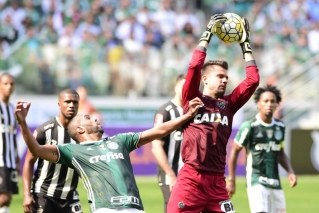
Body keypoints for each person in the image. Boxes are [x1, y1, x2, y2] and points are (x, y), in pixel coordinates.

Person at [15, 97, 203, 213]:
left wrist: (186, 117)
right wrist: (23, 123)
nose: (95, 118)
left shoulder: (120, 141)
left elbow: (159, 130)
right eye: (88, 118)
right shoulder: (73, 151)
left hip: (135, 209)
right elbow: (37, 150)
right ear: (79, 129)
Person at [167, 14, 260, 213]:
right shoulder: (192, 97)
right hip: (192, 180)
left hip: (218, 182)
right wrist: (206, 35)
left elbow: (252, 81)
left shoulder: (229, 103)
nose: (225, 80)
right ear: (205, 79)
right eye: (219, 76)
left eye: (226, 77)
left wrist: (245, 44)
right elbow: (194, 66)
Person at [227, 85, 297, 213]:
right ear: (258, 104)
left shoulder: (280, 126)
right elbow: (234, 151)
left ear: (277, 105)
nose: (269, 104)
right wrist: (232, 180)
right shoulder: (250, 126)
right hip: (256, 181)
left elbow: (280, 152)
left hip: (275, 182)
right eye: (265, 101)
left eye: (272, 101)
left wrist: (290, 171)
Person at [22, 88, 82, 213]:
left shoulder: (82, 133)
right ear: (59, 104)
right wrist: (27, 194)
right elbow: (28, 162)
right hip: (44, 195)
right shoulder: (44, 130)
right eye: (67, 102)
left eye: (75, 102)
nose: (71, 105)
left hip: (70, 197)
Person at [151, 74, 185, 213]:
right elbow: (156, 146)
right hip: (171, 174)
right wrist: (171, 175)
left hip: (189, 175)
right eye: (185, 87)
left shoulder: (194, 111)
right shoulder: (165, 112)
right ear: (176, 88)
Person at [0, 73, 19, 213]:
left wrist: (17, 159)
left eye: (11, 84)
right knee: (4, 196)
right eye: (5, 83)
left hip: (10, 160)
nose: (9, 87)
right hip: (0, 160)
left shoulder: (12, 110)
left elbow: (13, 136)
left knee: (9, 197)